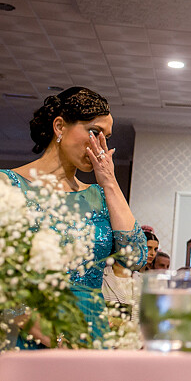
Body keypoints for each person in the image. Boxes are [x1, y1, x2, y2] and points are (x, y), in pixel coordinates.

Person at [0, 87, 147, 347]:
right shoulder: (7, 185)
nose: (101, 145)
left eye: (107, 137)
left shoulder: (98, 196)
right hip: (28, 334)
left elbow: (134, 256)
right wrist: (42, 329)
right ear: (59, 127)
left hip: (91, 335)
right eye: (95, 132)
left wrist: (109, 182)